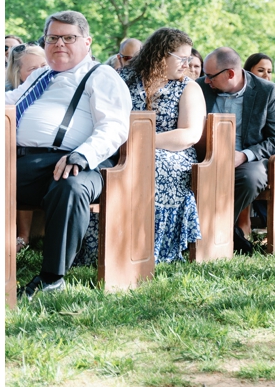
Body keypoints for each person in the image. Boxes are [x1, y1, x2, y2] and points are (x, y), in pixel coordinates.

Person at [6, 10, 131, 300]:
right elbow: (10, 100)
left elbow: (114, 126)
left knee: (70, 185)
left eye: (68, 38)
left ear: (86, 42)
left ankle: (52, 278)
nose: (59, 44)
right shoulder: (40, 75)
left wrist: (82, 154)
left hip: (81, 163)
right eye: (52, 38)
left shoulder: (102, 76)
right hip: (23, 161)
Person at [76, 28, 206, 265]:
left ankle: (145, 249)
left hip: (171, 154)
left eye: (189, 59)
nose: (187, 65)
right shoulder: (122, 79)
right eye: (182, 58)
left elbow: (190, 134)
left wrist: (141, 142)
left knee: (149, 164)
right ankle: (101, 250)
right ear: (160, 55)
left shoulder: (188, 88)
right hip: (119, 149)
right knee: (98, 167)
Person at [198, 47, 275, 253]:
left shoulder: (267, 91)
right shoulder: (200, 87)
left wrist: (244, 156)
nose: (206, 80)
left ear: (230, 74)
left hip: (248, 157)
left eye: (210, 76)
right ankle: (230, 234)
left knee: (251, 178)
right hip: (206, 156)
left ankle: (214, 229)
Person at [7, 43, 50, 250]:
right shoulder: (13, 95)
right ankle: (20, 235)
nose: (41, 71)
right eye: (33, 69)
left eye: (44, 65)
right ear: (19, 74)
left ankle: (24, 236)